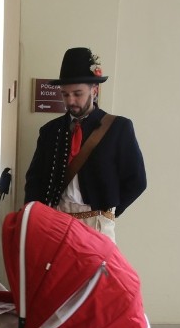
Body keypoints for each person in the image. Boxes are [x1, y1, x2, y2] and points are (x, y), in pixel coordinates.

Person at [24, 47, 147, 241]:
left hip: (97, 225)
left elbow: (137, 180)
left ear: (94, 90)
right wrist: (32, 219)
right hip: (56, 222)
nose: (70, 100)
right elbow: (35, 180)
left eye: (77, 93)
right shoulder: (50, 131)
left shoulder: (119, 128)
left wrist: (108, 211)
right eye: (65, 94)